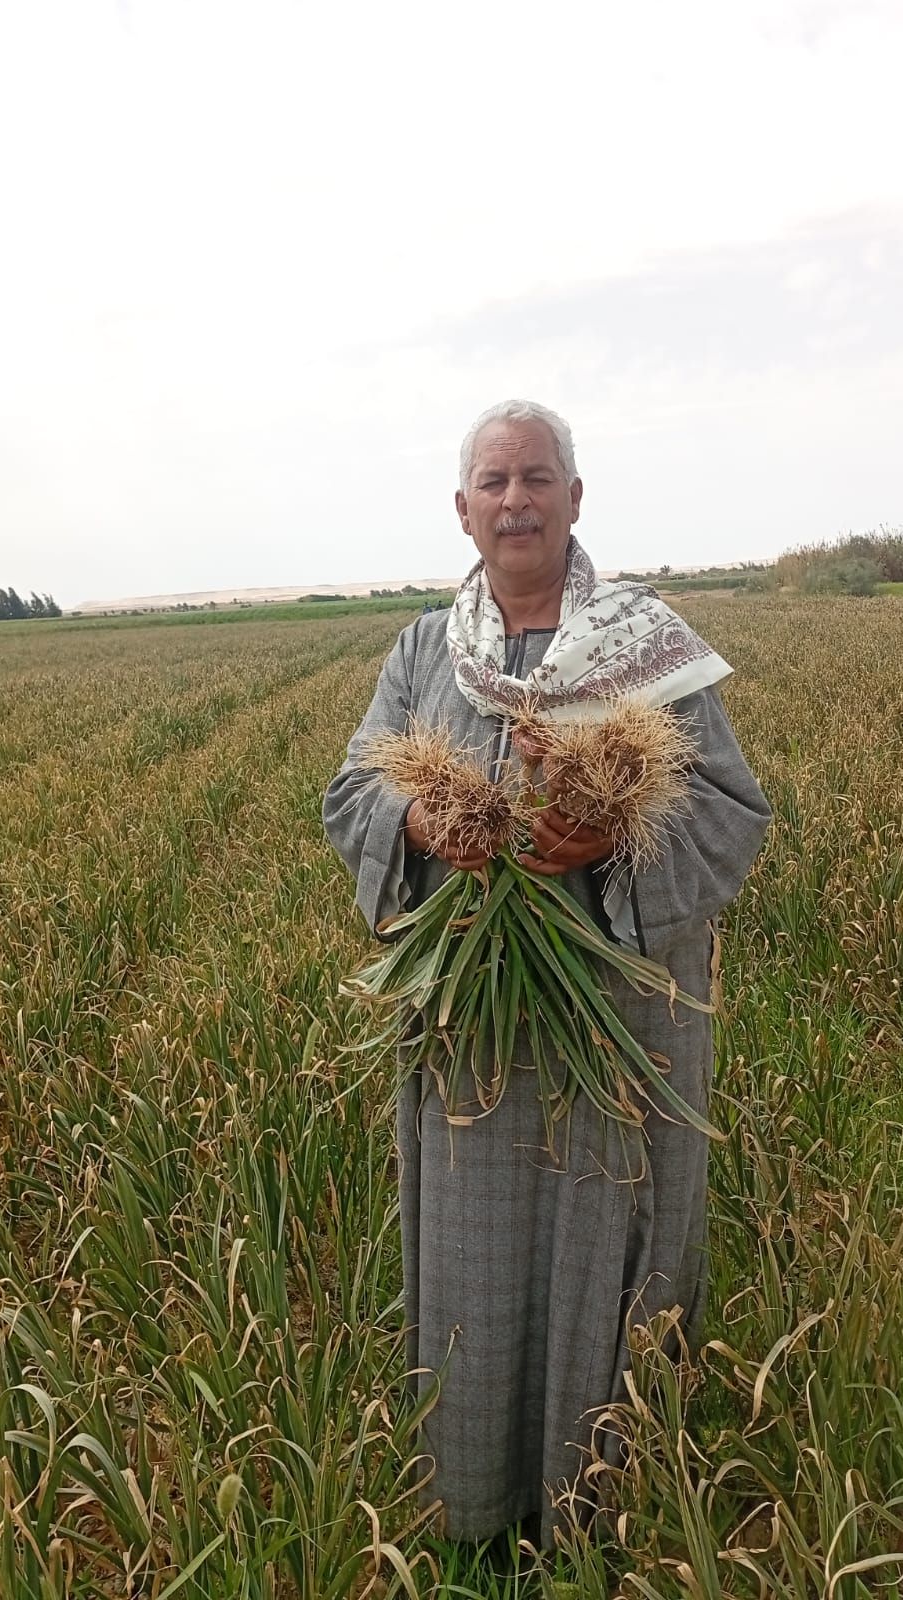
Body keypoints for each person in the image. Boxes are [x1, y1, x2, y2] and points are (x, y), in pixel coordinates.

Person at [322, 399, 771, 1551]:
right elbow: (351, 794)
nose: (514, 498)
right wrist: (425, 817)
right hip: (472, 1027)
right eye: (493, 480)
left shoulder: (645, 646)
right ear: (463, 511)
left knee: (611, 1237)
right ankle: (477, 1511)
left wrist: (610, 835)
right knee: (479, 1248)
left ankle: (605, 1513)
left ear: (576, 499)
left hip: (614, 1017)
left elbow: (727, 810)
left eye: (536, 477)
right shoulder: (425, 651)